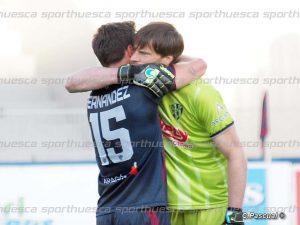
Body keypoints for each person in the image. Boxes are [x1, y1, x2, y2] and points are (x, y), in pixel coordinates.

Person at [65, 21, 206, 225]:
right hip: (143, 208)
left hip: (106, 211)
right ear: (130, 49)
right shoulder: (144, 85)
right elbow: (198, 66)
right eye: (139, 48)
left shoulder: (94, 93)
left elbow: (71, 81)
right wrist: (165, 55)